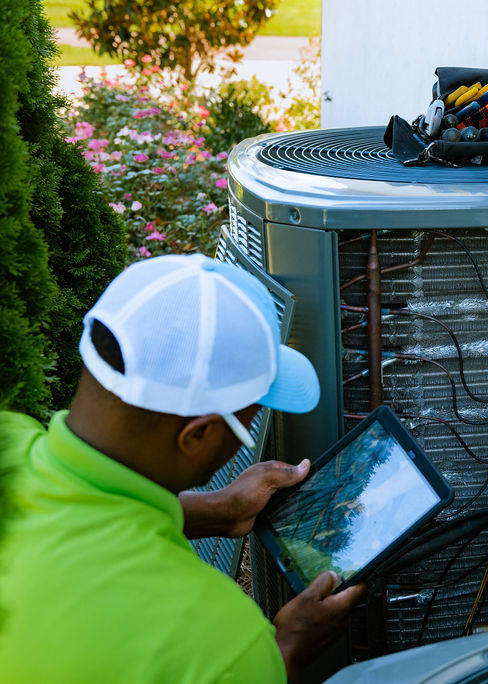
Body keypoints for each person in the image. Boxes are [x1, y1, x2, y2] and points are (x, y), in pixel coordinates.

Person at [0, 254, 363, 681]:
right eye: (250, 418)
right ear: (198, 435)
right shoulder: (216, 643)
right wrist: (286, 653)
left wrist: (217, 509)